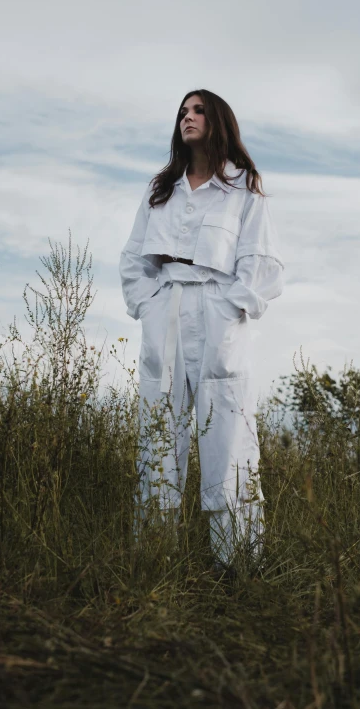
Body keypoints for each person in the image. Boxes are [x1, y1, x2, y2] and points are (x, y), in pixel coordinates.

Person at [119, 89, 284, 574]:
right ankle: (155, 557)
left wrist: (230, 311)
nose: (188, 117)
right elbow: (133, 260)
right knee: (158, 432)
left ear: (218, 121)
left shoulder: (242, 188)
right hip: (166, 308)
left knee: (228, 433)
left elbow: (262, 264)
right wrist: (148, 305)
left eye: (198, 111)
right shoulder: (162, 189)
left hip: (217, 311)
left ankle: (237, 563)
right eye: (183, 112)